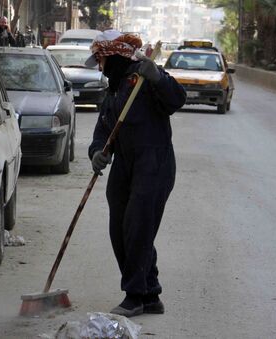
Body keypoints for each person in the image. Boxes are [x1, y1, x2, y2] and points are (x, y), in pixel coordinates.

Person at [86, 30, 186, 317]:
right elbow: (104, 130)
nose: (100, 68)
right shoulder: (115, 88)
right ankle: (150, 294)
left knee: (138, 228)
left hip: (154, 163)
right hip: (125, 165)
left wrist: (158, 77)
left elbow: (177, 99)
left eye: (101, 60)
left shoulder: (145, 77)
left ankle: (134, 296)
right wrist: (97, 152)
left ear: (114, 56)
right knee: (120, 229)